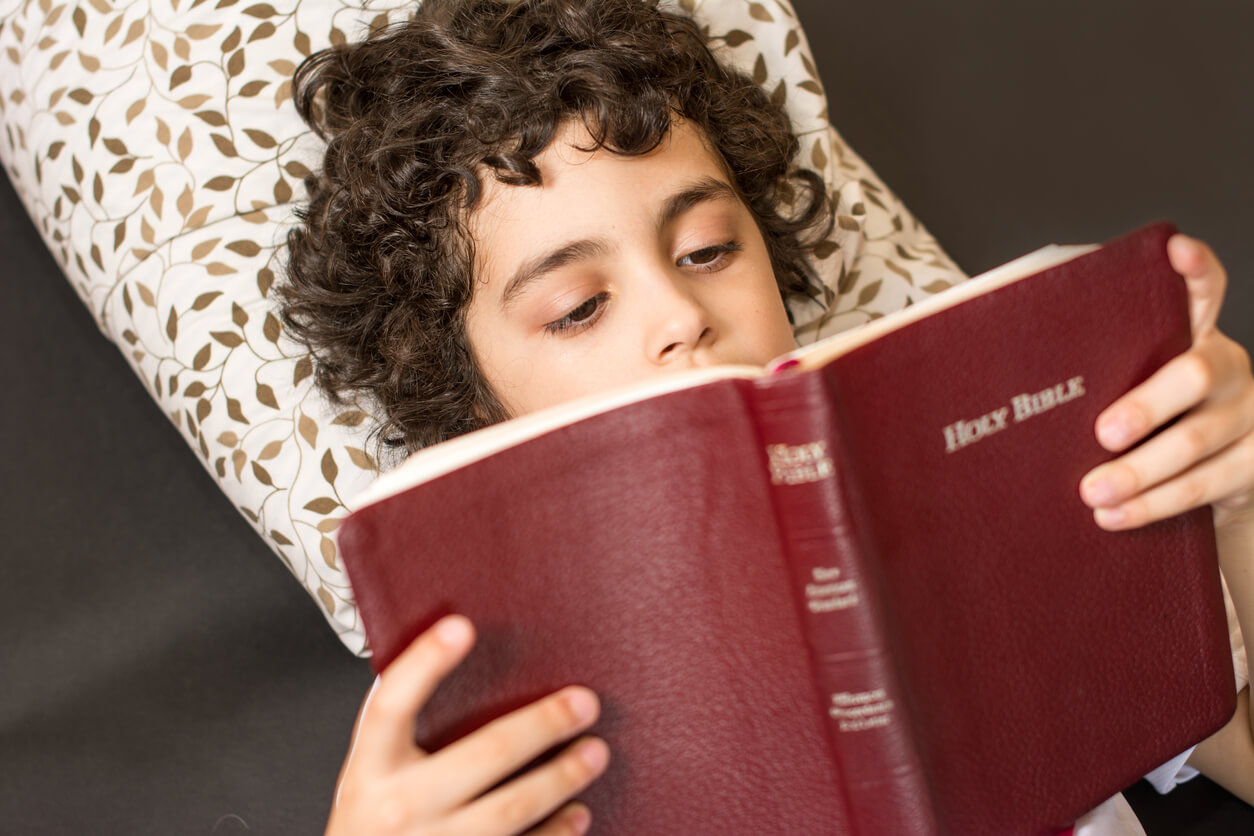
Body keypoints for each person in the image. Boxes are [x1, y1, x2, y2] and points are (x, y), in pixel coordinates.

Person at [277, 0, 1254, 833]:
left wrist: (1242, 504)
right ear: (472, 397)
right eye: (578, 307)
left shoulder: (1003, 481)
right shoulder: (470, 725)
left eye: (706, 248)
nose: (679, 316)